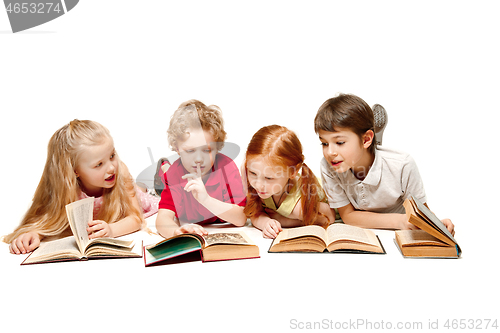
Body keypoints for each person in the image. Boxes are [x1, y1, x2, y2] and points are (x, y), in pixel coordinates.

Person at [4, 120, 157, 254]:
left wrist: (111, 230)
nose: (111, 167)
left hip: (131, 193)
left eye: (112, 155)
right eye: (99, 164)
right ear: (75, 171)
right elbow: (49, 218)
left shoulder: (120, 172)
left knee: (141, 190)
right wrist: (35, 234)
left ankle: (152, 181)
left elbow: (136, 218)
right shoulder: (66, 188)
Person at [314, 93, 455, 234]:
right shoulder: (328, 166)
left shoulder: (402, 164)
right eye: (324, 143)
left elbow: (420, 213)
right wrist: (399, 221)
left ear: (366, 140)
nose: (330, 152)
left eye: (339, 142)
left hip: (402, 233)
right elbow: (348, 216)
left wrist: (437, 224)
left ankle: (375, 145)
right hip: (373, 230)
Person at [155, 100, 247, 238]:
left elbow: (241, 218)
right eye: (190, 151)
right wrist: (176, 233)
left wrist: (206, 199)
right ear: (177, 149)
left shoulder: (227, 167)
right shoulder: (175, 174)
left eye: (207, 150)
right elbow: (162, 219)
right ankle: (163, 167)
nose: (198, 159)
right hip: (169, 175)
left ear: (217, 148)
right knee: (164, 179)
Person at [244, 125, 335, 239]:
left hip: (346, 205)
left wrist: (286, 220)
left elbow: (330, 216)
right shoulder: (261, 186)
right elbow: (255, 213)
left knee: (298, 210)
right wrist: (265, 223)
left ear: (293, 171)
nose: (258, 185)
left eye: (269, 178)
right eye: (252, 173)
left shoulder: (300, 200)